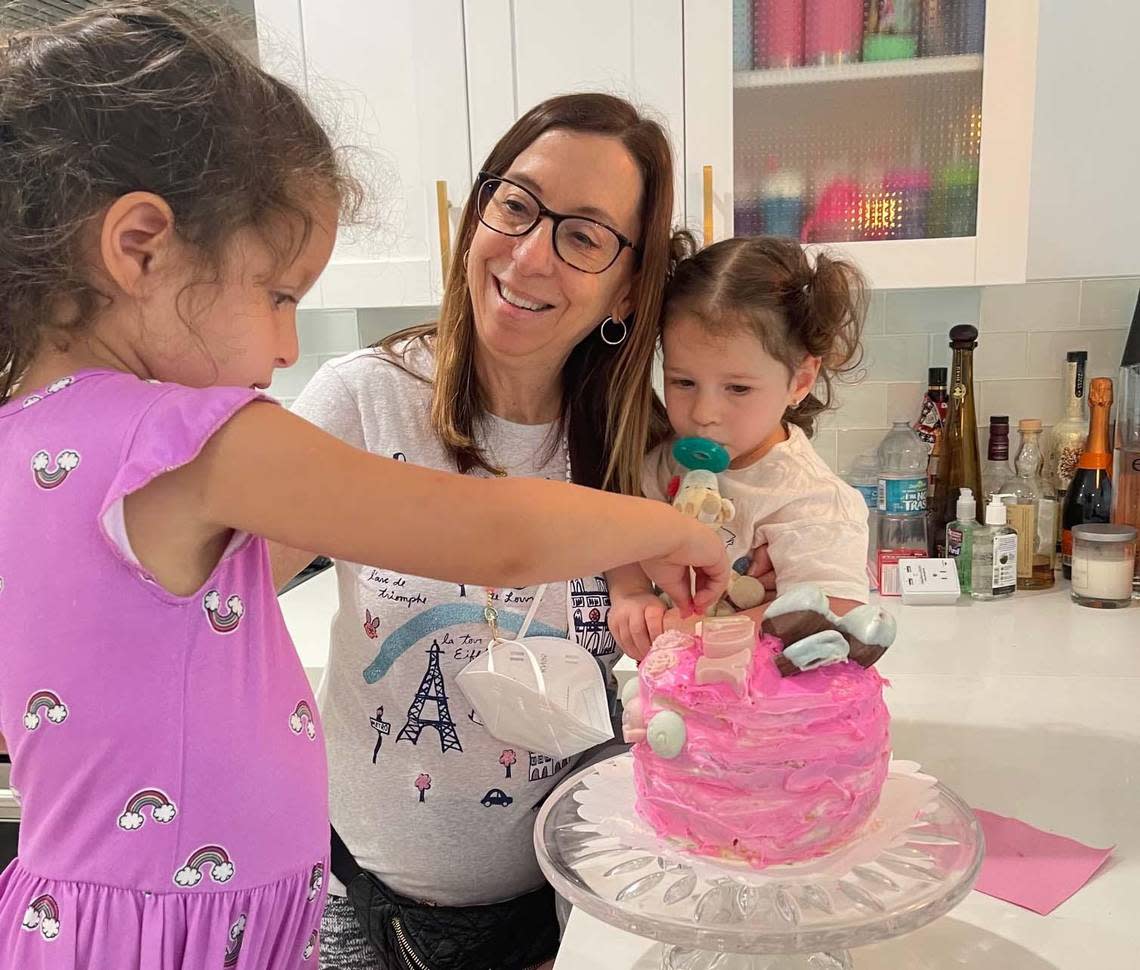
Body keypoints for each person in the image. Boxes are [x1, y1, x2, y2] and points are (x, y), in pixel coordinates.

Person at [0, 9, 728, 969]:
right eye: (279, 296)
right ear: (138, 248)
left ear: (631, 286)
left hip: (107, 923)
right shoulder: (205, 444)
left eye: (587, 235)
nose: (289, 346)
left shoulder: (27, 438)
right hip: (224, 927)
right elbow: (493, 537)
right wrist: (671, 535)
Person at [271, 93, 684, 969]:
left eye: (584, 236)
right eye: (517, 204)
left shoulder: (635, 447)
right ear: (474, 214)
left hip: (580, 901)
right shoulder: (361, 401)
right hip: (375, 910)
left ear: (626, 282)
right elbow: (220, 584)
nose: (531, 253)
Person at [608, 235, 871, 659]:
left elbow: (836, 614)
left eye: (738, 388)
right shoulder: (661, 464)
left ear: (800, 380)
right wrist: (631, 592)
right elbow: (617, 533)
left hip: (764, 715)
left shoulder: (812, 499)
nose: (704, 412)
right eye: (683, 382)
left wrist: (698, 632)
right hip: (672, 708)